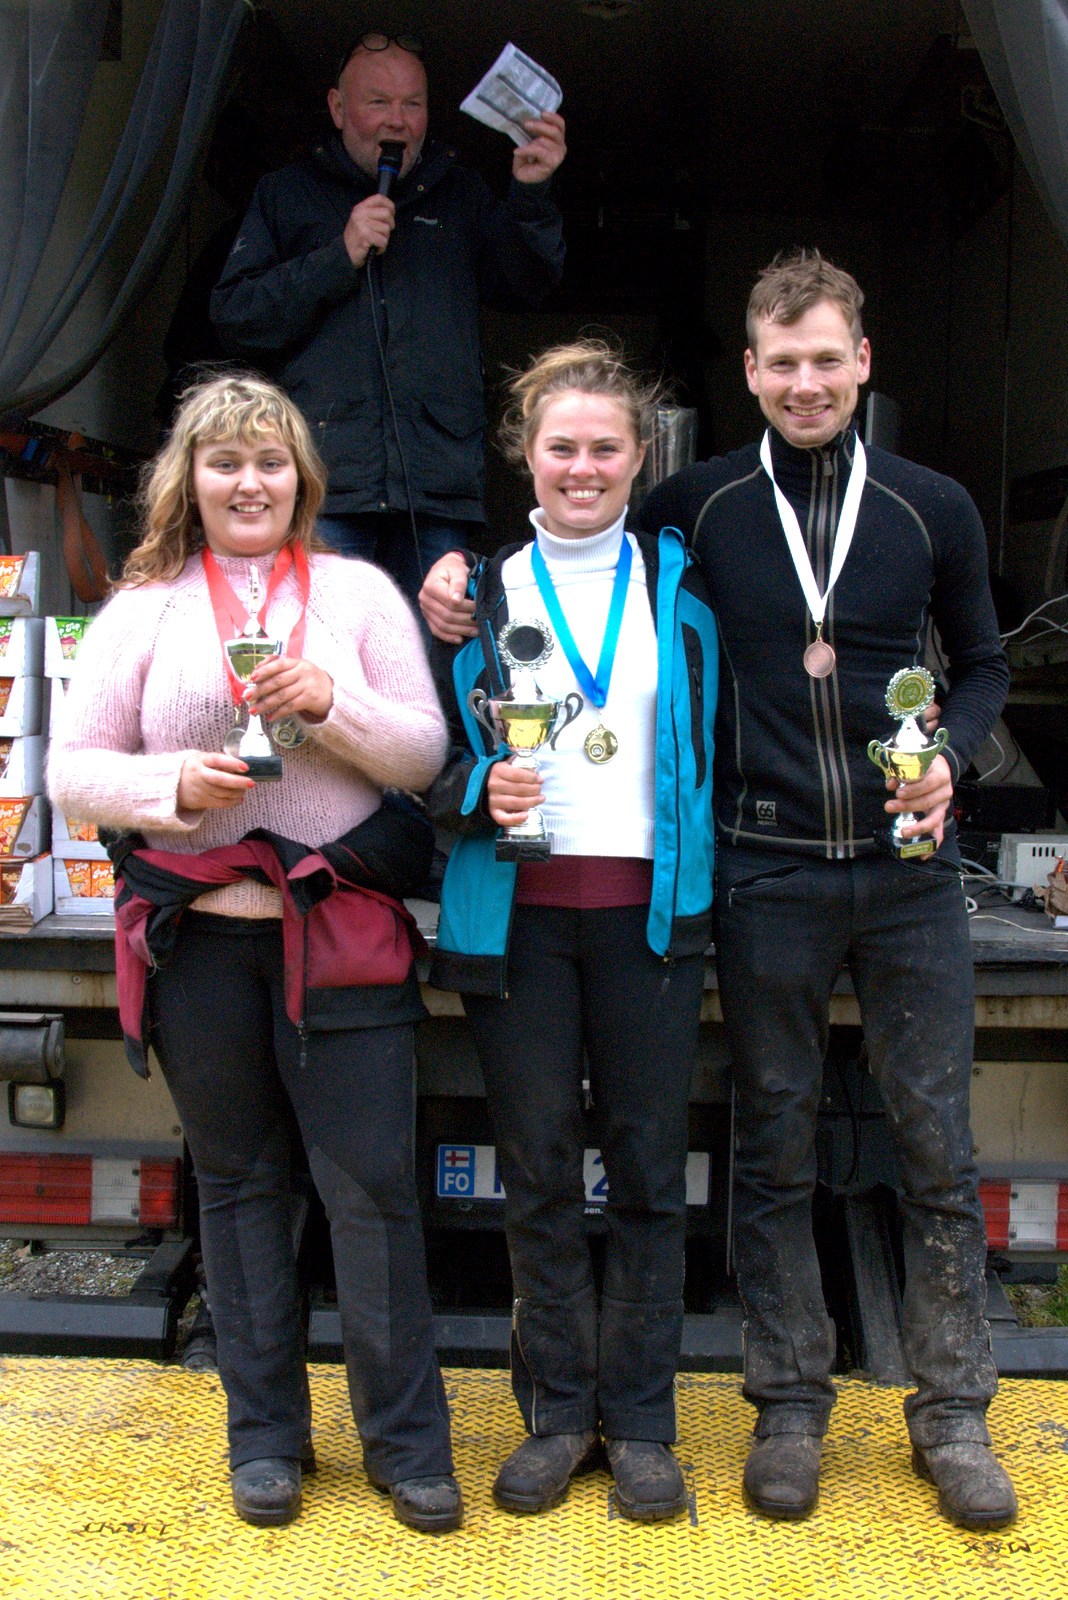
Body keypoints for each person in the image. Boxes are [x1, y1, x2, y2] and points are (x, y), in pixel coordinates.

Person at [418, 252, 1017, 1533]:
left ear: (864, 362)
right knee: (772, 1148)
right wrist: (451, 576)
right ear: (747, 371)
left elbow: (981, 665)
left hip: (906, 875)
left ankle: (953, 1413)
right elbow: (536, 567)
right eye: (781, 362)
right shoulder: (696, 511)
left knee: (938, 1146)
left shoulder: (935, 508)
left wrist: (953, 758)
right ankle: (787, 1404)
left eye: (826, 359)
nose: (806, 383)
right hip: (764, 870)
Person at [47, 374, 461, 1535]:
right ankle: (266, 1439)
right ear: (189, 479)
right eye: (225, 461)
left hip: (337, 937)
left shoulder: (356, 594)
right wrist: (170, 785)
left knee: (371, 1190)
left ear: (301, 479)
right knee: (236, 1190)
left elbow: (422, 754)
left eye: (270, 461)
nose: (249, 481)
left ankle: (407, 1445)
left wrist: (329, 701)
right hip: (204, 948)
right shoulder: (146, 608)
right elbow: (72, 771)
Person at [425, 342, 718, 1522]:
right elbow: (417, 753)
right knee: (540, 1171)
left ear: (641, 457)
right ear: (526, 457)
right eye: (562, 447)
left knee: (648, 1172)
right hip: (522, 923)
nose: (583, 467)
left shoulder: (683, 589)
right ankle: (555, 1414)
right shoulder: (475, 593)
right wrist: (475, 786)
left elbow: (718, 743)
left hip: (649, 918)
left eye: (605, 447)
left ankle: (640, 1422)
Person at [210, 32, 567, 603]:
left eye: (413, 104)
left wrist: (530, 192)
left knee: (433, 648)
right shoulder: (286, 194)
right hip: (326, 486)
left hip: (436, 491)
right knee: (327, 648)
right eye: (378, 102)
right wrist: (339, 256)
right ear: (337, 108)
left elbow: (526, 286)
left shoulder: (460, 193)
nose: (397, 120)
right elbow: (236, 316)